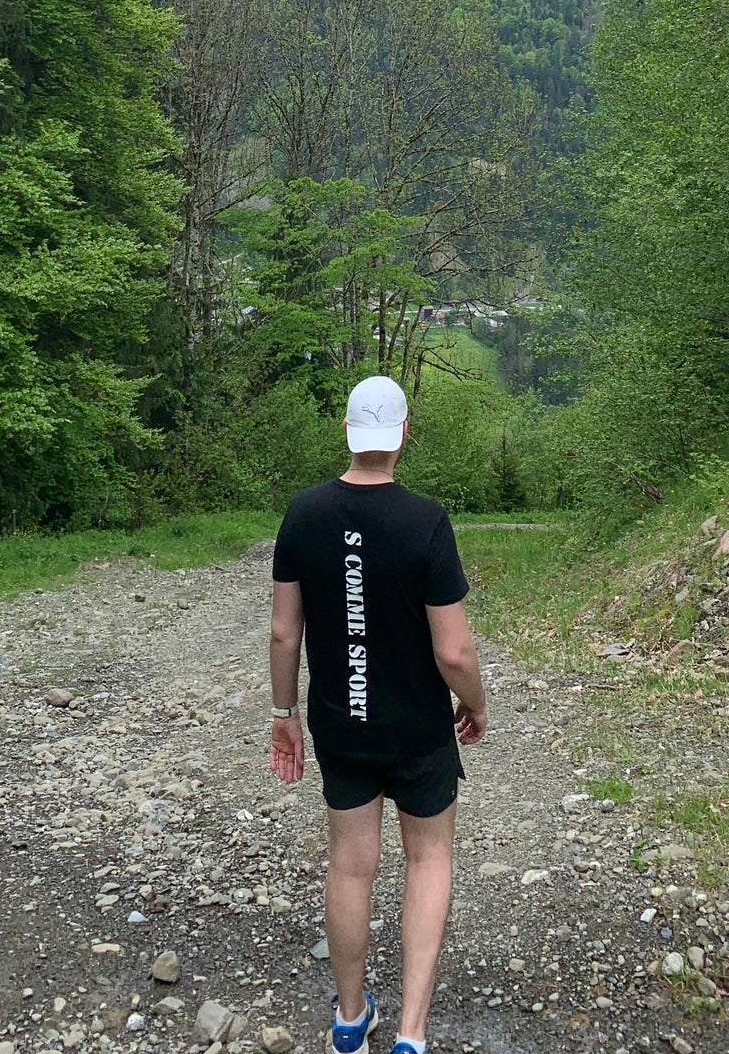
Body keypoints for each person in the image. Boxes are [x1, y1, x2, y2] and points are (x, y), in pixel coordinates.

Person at [267, 374, 488, 1054]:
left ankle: (349, 1021)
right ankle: (411, 1035)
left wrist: (284, 714)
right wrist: (476, 702)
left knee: (352, 865)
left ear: (346, 431)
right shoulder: (425, 521)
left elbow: (283, 632)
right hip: (419, 731)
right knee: (429, 862)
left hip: (342, 723)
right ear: (402, 433)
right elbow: (452, 648)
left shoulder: (302, 514)